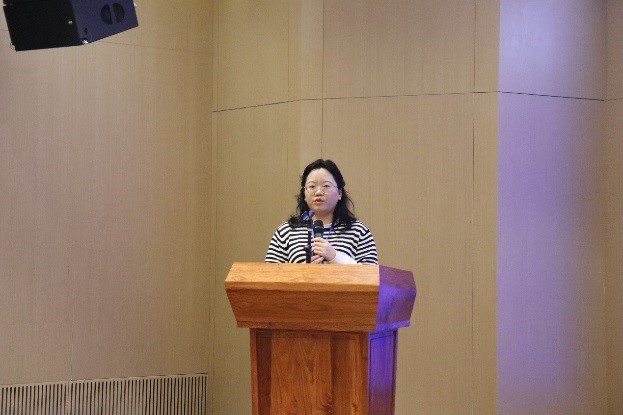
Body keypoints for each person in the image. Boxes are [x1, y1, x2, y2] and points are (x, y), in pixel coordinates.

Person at [265, 159, 378, 264]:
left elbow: (372, 275)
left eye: (326, 186)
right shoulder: (286, 231)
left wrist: (335, 257)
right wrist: (301, 272)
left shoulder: (358, 231)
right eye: (312, 186)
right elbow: (269, 274)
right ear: (304, 193)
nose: (318, 192)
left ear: (339, 193)